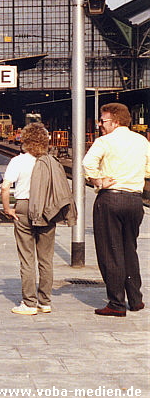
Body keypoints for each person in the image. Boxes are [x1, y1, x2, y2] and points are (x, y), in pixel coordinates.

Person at [82, 102, 150, 317]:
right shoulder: (141, 141)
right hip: (134, 201)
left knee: (110, 252)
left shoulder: (105, 141)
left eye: (103, 121)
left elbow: (87, 163)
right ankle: (136, 299)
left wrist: (98, 180)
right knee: (129, 249)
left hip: (110, 200)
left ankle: (116, 304)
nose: (100, 125)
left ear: (115, 121)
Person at [1, 123, 76, 315]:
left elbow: (5, 187)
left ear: (24, 141)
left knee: (27, 257)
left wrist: (8, 208)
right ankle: (45, 301)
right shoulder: (50, 161)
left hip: (24, 207)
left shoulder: (18, 161)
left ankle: (29, 303)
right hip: (47, 209)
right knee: (46, 258)